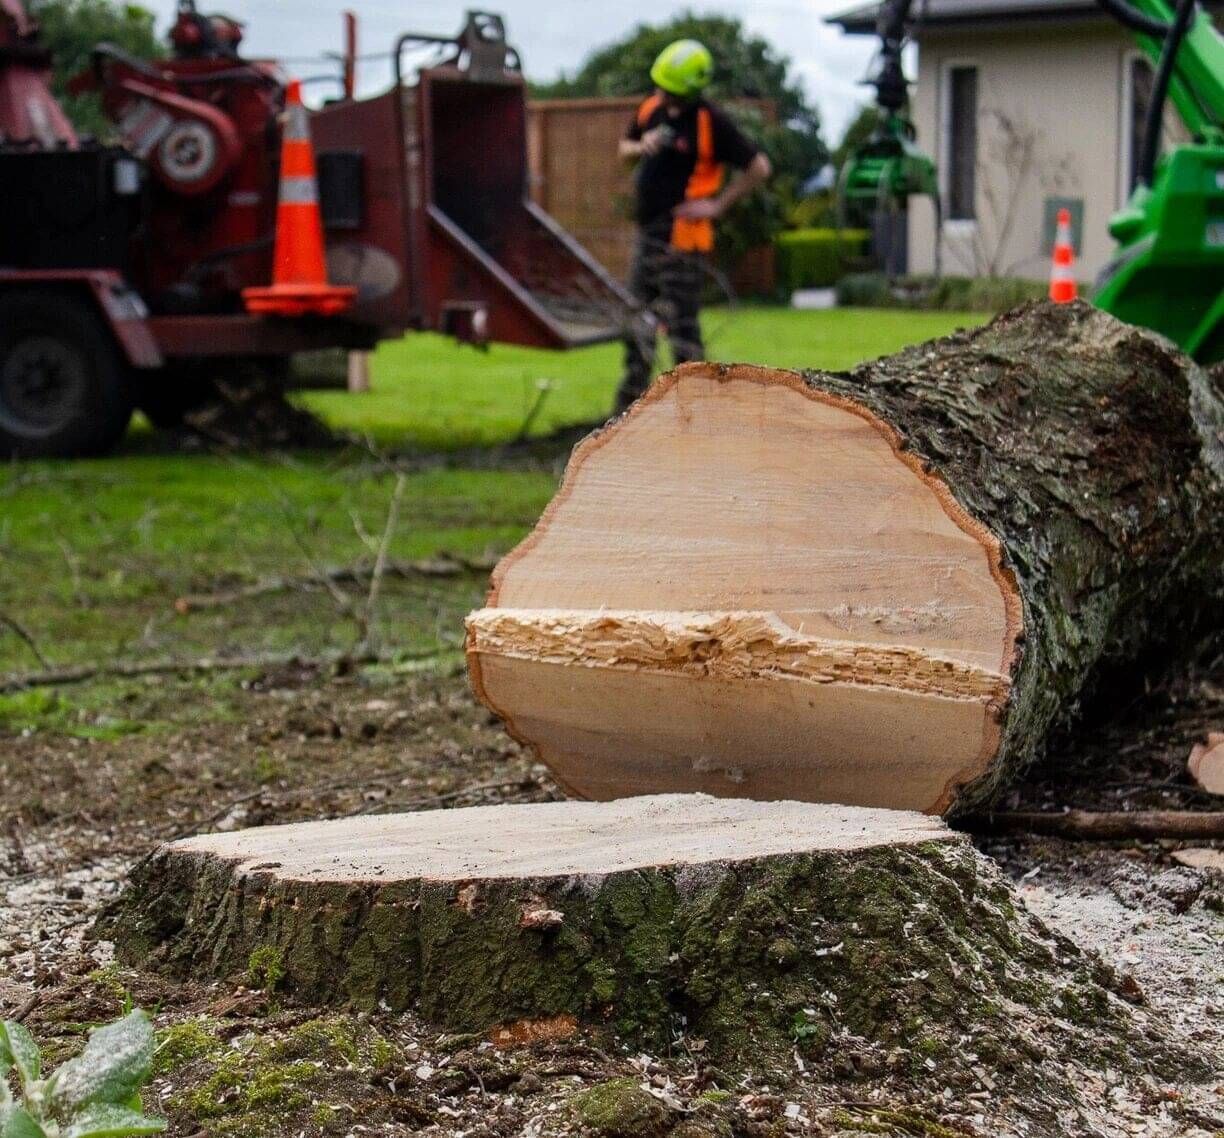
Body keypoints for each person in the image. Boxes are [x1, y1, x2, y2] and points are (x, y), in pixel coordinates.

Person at [615, 39, 772, 413]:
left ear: (688, 91)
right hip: (650, 232)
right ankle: (628, 411)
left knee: (682, 329)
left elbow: (759, 167)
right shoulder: (651, 108)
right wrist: (642, 146)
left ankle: (696, 412)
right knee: (637, 320)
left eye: (668, 90)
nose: (659, 94)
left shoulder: (710, 121)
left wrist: (717, 205)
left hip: (685, 239)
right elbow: (624, 149)